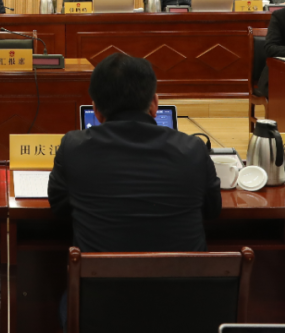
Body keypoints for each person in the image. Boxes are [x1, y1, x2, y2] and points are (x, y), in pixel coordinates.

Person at [48, 53, 221, 328]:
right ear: (154, 104)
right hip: (184, 312)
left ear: (96, 111)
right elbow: (213, 210)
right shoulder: (193, 150)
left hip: (100, 314)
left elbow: (59, 208)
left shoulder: (73, 147)